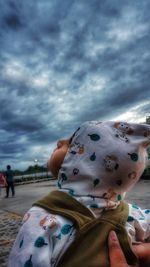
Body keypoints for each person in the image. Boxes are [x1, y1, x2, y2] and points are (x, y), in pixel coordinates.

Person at [8, 121, 150, 267]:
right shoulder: (132, 216)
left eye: (71, 142)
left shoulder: (42, 219)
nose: (60, 142)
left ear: (84, 163)